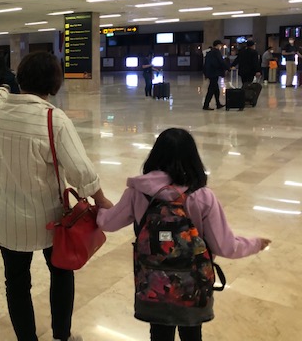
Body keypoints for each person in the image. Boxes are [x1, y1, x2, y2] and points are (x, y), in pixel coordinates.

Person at [97, 128, 271, 341]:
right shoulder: (202, 196)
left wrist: (99, 207)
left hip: (154, 285)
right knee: (192, 334)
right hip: (192, 285)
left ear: (155, 155)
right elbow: (225, 246)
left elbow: (107, 223)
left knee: (159, 334)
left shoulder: (137, 192)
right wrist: (255, 244)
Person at [0, 51, 112, 341]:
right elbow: (80, 171)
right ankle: (62, 336)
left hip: (7, 217)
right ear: (55, 83)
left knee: (16, 283)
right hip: (50, 220)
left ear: (21, 78)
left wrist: (6, 84)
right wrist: (101, 199)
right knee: (61, 273)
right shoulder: (53, 120)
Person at [202, 40, 227, 110]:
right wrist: (228, 68)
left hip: (210, 73)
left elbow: (206, 64)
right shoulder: (216, 52)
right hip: (214, 73)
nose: (221, 47)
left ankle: (218, 103)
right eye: (220, 45)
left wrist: (206, 73)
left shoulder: (209, 52)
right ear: (218, 45)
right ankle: (206, 105)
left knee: (216, 89)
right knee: (211, 89)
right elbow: (221, 62)